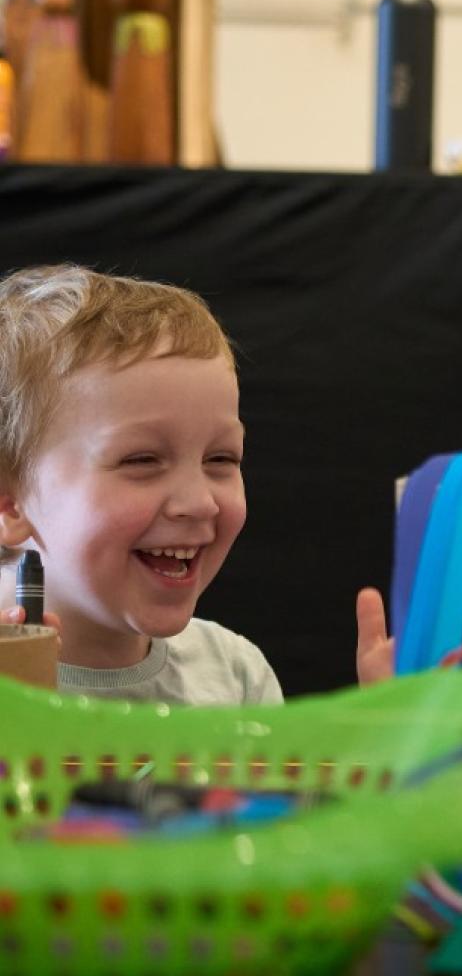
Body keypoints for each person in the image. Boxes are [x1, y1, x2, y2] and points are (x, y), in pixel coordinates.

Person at [0, 264, 283, 704]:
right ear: (10, 504)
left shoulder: (236, 678)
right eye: (142, 460)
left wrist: (401, 735)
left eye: (221, 458)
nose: (199, 502)